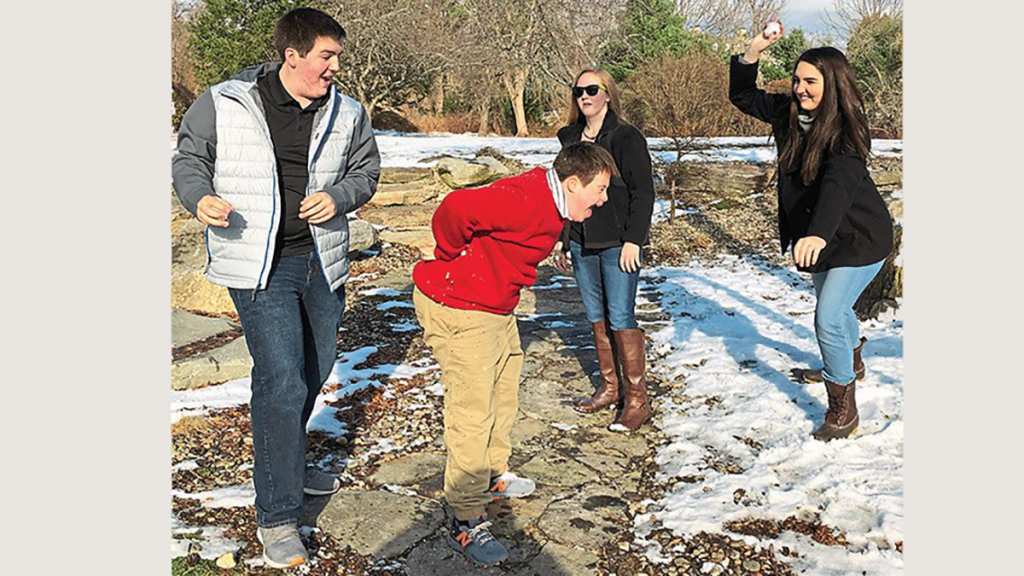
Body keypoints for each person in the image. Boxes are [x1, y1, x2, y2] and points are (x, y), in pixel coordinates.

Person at [171, 7, 380, 568]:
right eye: (326, 56)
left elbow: (367, 172)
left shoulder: (348, 111)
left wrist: (339, 197)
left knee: (315, 370)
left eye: (336, 56)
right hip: (258, 263)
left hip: (323, 259)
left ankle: (285, 459)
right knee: (282, 378)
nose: (335, 66)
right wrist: (200, 198)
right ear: (293, 55)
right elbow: (190, 158)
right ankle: (279, 514)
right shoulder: (226, 101)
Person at [412, 142, 616, 566]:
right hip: (461, 304)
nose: (603, 198)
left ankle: (492, 475)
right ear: (572, 183)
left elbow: (517, 235)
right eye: (599, 189)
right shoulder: (526, 199)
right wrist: (454, 257)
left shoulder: (552, 201)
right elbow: (455, 209)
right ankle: (466, 517)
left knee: (504, 392)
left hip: (494, 305)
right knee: (473, 409)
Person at [729, 22, 894, 442]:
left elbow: (839, 185)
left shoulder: (848, 132)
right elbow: (743, 95)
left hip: (858, 237)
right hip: (819, 237)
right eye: (798, 80)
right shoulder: (789, 114)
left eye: (811, 82)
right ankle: (850, 360)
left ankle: (843, 406)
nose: (801, 89)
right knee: (834, 310)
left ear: (832, 84)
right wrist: (754, 49)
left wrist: (817, 233)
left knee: (827, 316)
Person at [553, 68, 656, 432]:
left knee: (620, 318)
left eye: (592, 89)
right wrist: (564, 239)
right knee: (596, 317)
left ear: (608, 94)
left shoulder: (627, 138)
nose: (584, 96)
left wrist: (634, 240)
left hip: (618, 244)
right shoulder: (569, 138)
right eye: (578, 90)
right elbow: (568, 192)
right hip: (582, 240)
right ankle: (611, 387)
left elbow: (644, 192)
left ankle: (637, 401)